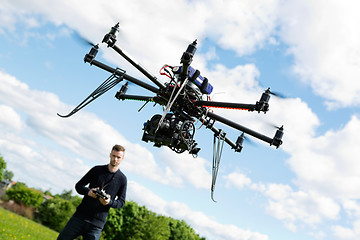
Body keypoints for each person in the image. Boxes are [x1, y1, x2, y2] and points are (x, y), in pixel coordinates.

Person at [57, 144, 127, 240]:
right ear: (110, 154)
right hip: (79, 218)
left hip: (96, 226)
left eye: (118, 157)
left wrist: (109, 202)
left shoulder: (122, 179)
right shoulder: (97, 170)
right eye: (114, 156)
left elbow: (121, 202)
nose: (115, 159)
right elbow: (79, 186)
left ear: (122, 159)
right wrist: (88, 192)